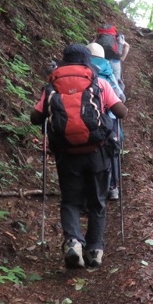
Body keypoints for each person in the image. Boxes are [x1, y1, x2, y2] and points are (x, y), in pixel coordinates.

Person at [30, 43, 128, 269]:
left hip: (66, 154)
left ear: (64, 60)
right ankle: (94, 250)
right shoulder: (100, 83)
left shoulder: (52, 86)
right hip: (98, 151)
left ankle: (73, 242)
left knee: (71, 201)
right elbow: (121, 112)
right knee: (98, 202)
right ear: (88, 62)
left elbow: (35, 118)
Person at [87, 42, 125, 201]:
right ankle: (112, 187)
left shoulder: (82, 70)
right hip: (108, 118)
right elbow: (120, 98)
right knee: (112, 150)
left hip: (86, 118)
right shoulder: (108, 70)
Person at [94, 24, 130, 91]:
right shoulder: (117, 37)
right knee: (116, 80)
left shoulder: (99, 36)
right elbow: (127, 46)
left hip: (102, 60)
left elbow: (92, 45)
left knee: (101, 78)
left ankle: (102, 94)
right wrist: (123, 58)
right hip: (115, 60)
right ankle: (118, 96)